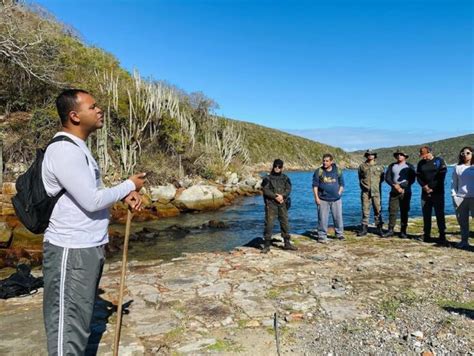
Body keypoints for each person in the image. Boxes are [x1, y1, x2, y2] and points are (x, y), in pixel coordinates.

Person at [41, 89, 146, 355]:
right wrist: (128, 184)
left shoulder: (79, 148)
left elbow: (93, 191)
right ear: (74, 116)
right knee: (68, 328)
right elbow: (91, 201)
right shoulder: (64, 150)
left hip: (87, 246)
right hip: (70, 248)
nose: (99, 110)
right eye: (93, 106)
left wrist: (124, 195)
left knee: (79, 324)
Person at [261, 159, 296, 253]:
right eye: (275, 166)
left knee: (284, 223)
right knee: (269, 224)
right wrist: (275, 196)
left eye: (279, 166)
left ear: (282, 168)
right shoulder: (267, 178)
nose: (277, 168)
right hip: (271, 204)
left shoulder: (285, 178)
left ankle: (287, 243)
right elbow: (265, 190)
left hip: (283, 203)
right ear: (273, 166)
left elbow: (288, 189)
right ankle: (267, 245)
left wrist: (283, 196)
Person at [416, 146, 447, 243]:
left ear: (430, 152)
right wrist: (425, 187)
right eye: (422, 155)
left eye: (424, 155)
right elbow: (418, 176)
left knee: (439, 214)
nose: (423, 157)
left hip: (438, 191)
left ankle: (442, 235)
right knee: (426, 214)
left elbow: (441, 176)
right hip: (425, 192)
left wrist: (431, 187)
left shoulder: (439, 161)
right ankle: (427, 234)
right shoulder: (421, 163)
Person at [383, 149, 416, 238]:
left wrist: (402, 186)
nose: (399, 156)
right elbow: (387, 177)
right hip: (394, 192)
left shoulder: (409, 166)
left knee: (404, 211)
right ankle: (390, 230)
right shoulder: (392, 166)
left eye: (401, 154)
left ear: (405, 156)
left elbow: (412, 179)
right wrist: (394, 185)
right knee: (392, 211)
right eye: (397, 154)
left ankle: (403, 231)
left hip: (406, 192)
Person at [312, 153, 345, 242]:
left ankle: (339, 234)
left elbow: (342, 184)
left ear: (331, 161)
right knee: (322, 218)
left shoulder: (337, 170)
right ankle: (322, 236)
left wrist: (339, 193)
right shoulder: (318, 171)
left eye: (327, 161)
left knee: (338, 218)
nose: (325, 163)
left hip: (336, 199)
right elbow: (315, 186)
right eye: (324, 161)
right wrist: (316, 198)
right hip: (323, 199)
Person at [357, 149, 385, 236]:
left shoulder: (380, 166)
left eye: (372, 154)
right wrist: (365, 186)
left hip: (376, 192)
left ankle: (379, 228)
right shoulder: (362, 166)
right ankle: (364, 229)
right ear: (366, 155)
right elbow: (360, 178)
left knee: (378, 209)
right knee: (365, 209)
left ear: (374, 156)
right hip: (365, 192)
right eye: (368, 154)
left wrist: (375, 186)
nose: (370, 155)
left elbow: (382, 178)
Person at [451, 146, 474, 248]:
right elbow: (453, 184)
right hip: (460, 198)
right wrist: (454, 196)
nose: (465, 155)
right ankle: (464, 242)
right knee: (463, 222)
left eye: (468, 153)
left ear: (472, 154)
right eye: (463, 153)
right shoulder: (457, 167)